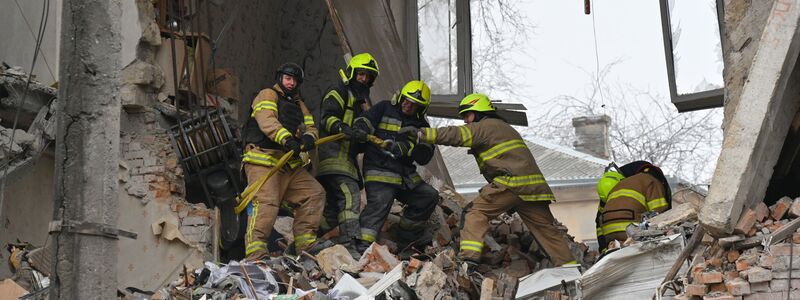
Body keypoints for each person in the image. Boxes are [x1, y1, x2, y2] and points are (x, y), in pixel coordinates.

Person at [399, 93, 576, 267]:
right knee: (547, 230)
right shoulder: (504, 128)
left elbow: (457, 134)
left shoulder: (486, 126)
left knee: (474, 213)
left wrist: (421, 134)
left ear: (478, 111)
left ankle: (469, 261)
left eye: (467, 115)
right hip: (532, 188)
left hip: (511, 183)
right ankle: (569, 269)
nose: (466, 121)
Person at [240, 62, 332, 260]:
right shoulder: (267, 95)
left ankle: (306, 246)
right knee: (266, 202)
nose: (291, 83)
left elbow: (311, 127)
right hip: (263, 160)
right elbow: (267, 120)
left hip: (288, 163)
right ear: (280, 78)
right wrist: (287, 138)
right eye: (288, 79)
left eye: (295, 80)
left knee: (314, 194)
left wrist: (309, 138)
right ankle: (256, 254)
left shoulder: (300, 104)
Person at [352, 80, 439, 252]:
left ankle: (405, 239)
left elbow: (424, 156)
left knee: (428, 196)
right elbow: (365, 120)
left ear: (421, 108)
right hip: (379, 170)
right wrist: (361, 128)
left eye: (414, 105)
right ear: (400, 97)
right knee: (381, 203)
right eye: (406, 100)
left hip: (404, 176)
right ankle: (361, 247)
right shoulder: (384, 108)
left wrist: (406, 149)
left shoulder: (422, 127)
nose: (408, 105)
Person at [317, 53, 379, 256]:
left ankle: (311, 240)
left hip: (346, 162)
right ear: (352, 73)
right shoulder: (339, 91)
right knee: (350, 197)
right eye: (361, 74)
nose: (364, 79)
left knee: (334, 211)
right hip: (335, 159)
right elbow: (327, 118)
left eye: (368, 77)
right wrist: (345, 129)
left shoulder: (360, 103)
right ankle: (350, 245)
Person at [595, 160, 671, 251]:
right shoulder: (651, 181)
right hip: (630, 231)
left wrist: (603, 249)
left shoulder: (614, 189)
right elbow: (660, 213)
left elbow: (599, 222)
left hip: (609, 238)